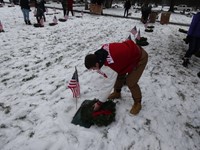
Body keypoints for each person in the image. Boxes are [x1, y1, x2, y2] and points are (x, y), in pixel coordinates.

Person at [84, 39, 148, 115]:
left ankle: (138, 103)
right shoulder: (101, 52)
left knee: (131, 82)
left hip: (139, 57)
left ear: (97, 64)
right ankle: (117, 93)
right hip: (128, 57)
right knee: (119, 75)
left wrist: (99, 103)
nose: (94, 70)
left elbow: (108, 85)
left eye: (93, 68)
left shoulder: (110, 68)